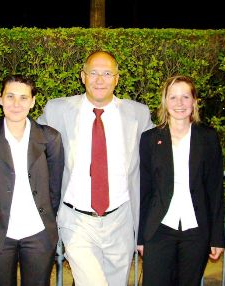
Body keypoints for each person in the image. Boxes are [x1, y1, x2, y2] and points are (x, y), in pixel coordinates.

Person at [37, 50, 154, 286]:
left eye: (107, 73)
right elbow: (29, 143)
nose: (100, 80)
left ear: (117, 78)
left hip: (120, 220)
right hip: (75, 219)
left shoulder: (138, 114)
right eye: (93, 73)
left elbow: (159, 154)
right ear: (83, 76)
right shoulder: (57, 110)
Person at [0, 75, 64, 286]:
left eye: (23, 97)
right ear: (0, 99)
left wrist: (47, 214)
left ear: (33, 101)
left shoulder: (50, 138)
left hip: (38, 233)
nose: (16, 104)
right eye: (10, 96)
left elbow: (55, 187)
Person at [137, 75, 225, 285]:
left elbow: (215, 191)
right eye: (173, 97)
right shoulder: (150, 139)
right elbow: (144, 191)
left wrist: (216, 237)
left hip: (196, 231)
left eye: (185, 97)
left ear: (194, 101)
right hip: (158, 230)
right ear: (165, 102)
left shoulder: (208, 137)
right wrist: (141, 236)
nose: (179, 103)